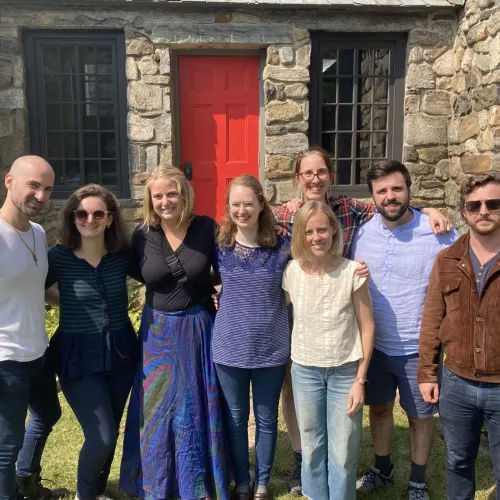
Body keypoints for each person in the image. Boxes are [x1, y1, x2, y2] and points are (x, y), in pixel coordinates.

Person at [273, 147, 452, 495]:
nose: (314, 178)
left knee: (412, 415)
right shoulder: (283, 216)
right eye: (306, 173)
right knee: (366, 410)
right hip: (323, 331)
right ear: (296, 179)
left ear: (330, 175)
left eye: (321, 171)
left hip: (381, 337)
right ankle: (323, 466)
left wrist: (431, 210)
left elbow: (397, 208)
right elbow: (249, 228)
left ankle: (412, 480)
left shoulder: (354, 209)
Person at [119, 166, 230, 500]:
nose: (165, 201)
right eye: (158, 195)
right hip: (157, 333)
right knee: (156, 409)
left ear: (184, 195)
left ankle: (198, 484)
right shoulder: (142, 236)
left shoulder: (206, 228)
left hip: (197, 327)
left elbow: (228, 270)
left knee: (194, 409)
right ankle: (156, 482)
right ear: (150, 200)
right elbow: (136, 272)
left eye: (172, 194)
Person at [350, 160, 458, 500]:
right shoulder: (362, 232)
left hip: (419, 348)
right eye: (382, 191)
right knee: (379, 409)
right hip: (375, 347)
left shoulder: (438, 232)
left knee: (419, 417)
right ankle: (382, 468)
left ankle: (418, 481)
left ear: (409, 190)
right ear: (372, 197)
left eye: (397, 188)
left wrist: (433, 210)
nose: (390, 196)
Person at [45, 184, 138, 500]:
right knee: (101, 435)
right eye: (82, 213)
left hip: (121, 353)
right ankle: (85, 495)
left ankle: (98, 489)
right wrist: (67, 302)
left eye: (99, 213)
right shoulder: (58, 257)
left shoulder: (122, 256)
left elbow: (160, 277)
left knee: (110, 429)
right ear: (73, 217)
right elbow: (34, 289)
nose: (90, 219)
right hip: (77, 356)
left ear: (110, 219)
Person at [282, 200, 374, 500]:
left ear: (334, 231)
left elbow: (367, 325)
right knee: (311, 444)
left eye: (322, 229)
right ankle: (315, 494)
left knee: (344, 447)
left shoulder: (352, 272)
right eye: (308, 231)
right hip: (305, 369)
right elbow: (272, 310)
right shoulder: (292, 272)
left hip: (345, 371)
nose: (316, 237)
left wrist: (360, 379)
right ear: (300, 235)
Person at [418, 172, 500, 500]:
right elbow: (432, 319)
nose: (484, 211)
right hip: (457, 384)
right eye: (474, 205)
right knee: (457, 460)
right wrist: (426, 373)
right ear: (464, 212)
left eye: (493, 203)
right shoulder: (447, 260)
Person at [212, 175, 290, 500]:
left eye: (248, 203)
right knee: (235, 418)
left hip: (271, 347)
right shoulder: (218, 246)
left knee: (267, 417)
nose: (241, 210)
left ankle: (261, 484)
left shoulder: (283, 245)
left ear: (261, 205)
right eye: (235, 204)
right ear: (228, 208)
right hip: (229, 348)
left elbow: (316, 265)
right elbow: (194, 278)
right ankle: (241, 482)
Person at [0, 155, 68, 500]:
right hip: (6, 357)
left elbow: (36, 287)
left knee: (47, 413)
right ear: (10, 182)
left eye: (47, 189)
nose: (41, 195)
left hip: (37, 349)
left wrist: (74, 304)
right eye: (33, 185)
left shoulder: (38, 233)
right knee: (6, 442)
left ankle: (27, 481)